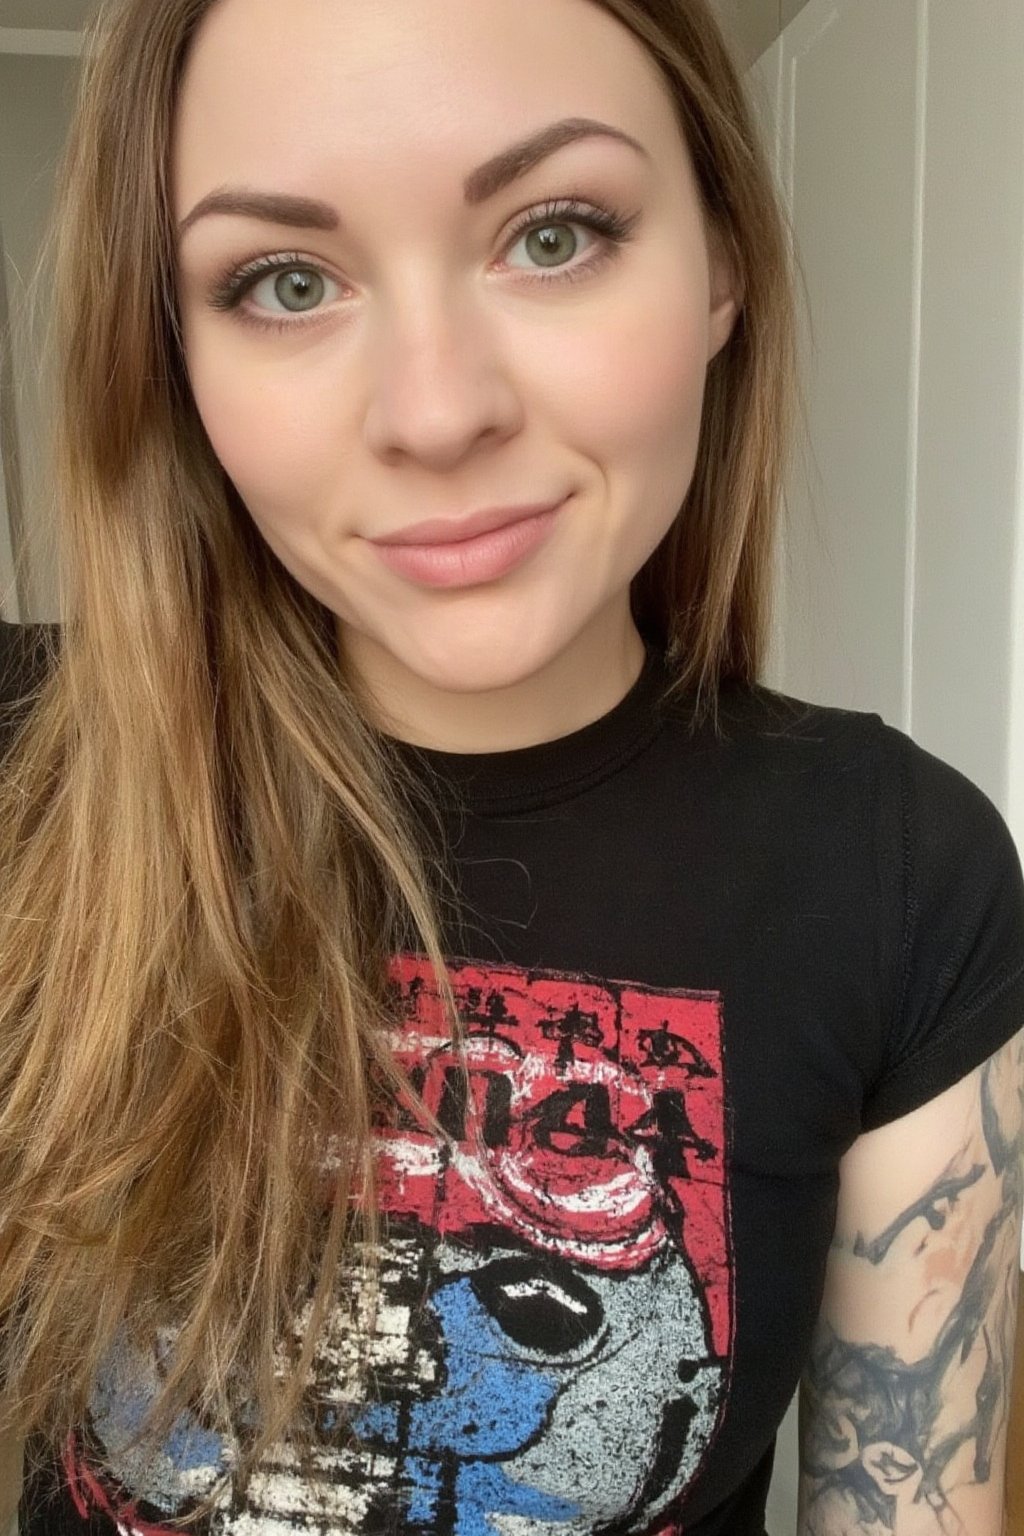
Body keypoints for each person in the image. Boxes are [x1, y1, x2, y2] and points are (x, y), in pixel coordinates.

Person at [0, 0, 1021, 1531]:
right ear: (172, 354)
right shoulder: (29, 780)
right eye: (285, 281)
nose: (436, 411)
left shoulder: (898, 875)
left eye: (554, 233)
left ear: (724, 265)